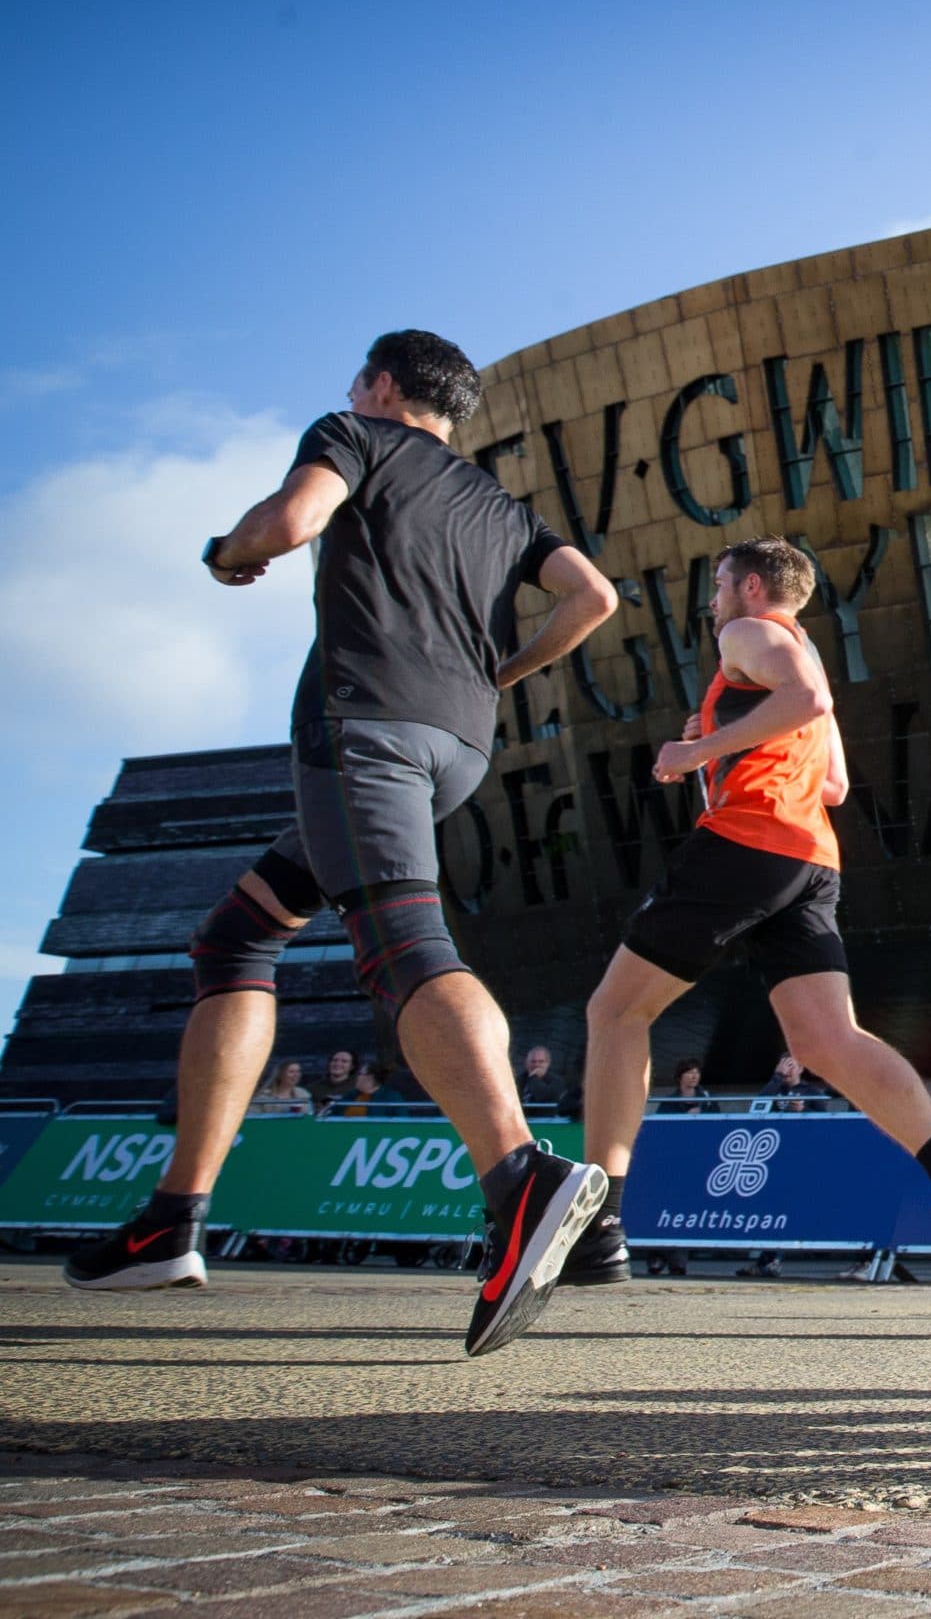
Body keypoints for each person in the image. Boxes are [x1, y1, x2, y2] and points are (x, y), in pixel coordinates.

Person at [63, 330, 619, 1361]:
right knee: (232, 938)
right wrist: (500, 674)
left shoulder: (355, 434)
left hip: (361, 731)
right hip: (453, 746)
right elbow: (594, 596)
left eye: (357, 382)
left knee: (406, 949)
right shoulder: (500, 506)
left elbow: (291, 518)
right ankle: (171, 1218)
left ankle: (518, 1175)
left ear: (378, 385)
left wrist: (228, 554)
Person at [573, 536, 931, 1300]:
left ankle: (599, 1226)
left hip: (744, 847)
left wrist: (700, 751)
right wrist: (721, 750)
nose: (711, 599)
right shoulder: (801, 651)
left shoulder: (747, 635)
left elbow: (808, 704)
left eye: (717, 583)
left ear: (752, 587)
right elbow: (837, 781)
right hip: (809, 860)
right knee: (826, 1039)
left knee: (615, 1011)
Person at [754, 1051, 831, 1112]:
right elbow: (757, 1108)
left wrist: (802, 1110)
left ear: (800, 1069)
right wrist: (778, 1076)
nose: (786, 1071)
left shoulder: (812, 1091)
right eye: (784, 1067)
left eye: (791, 1066)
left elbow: (823, 1118)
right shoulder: (773, 1087)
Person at [331, 1061, 403, 1117]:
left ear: (370, 1077)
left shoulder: (392, 1097)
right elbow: (332, 1115)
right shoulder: (350, 1095)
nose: (356, 1077)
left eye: (359, 1074)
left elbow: (402, 1121)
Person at [245, 1059, 313, 1118]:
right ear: (280, 1074)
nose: (296, 1075)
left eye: (298, 1071)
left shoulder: (304, 1094)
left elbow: (309, 1116)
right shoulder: (263, 1097)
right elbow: (252, 1118)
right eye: (291, 1072)